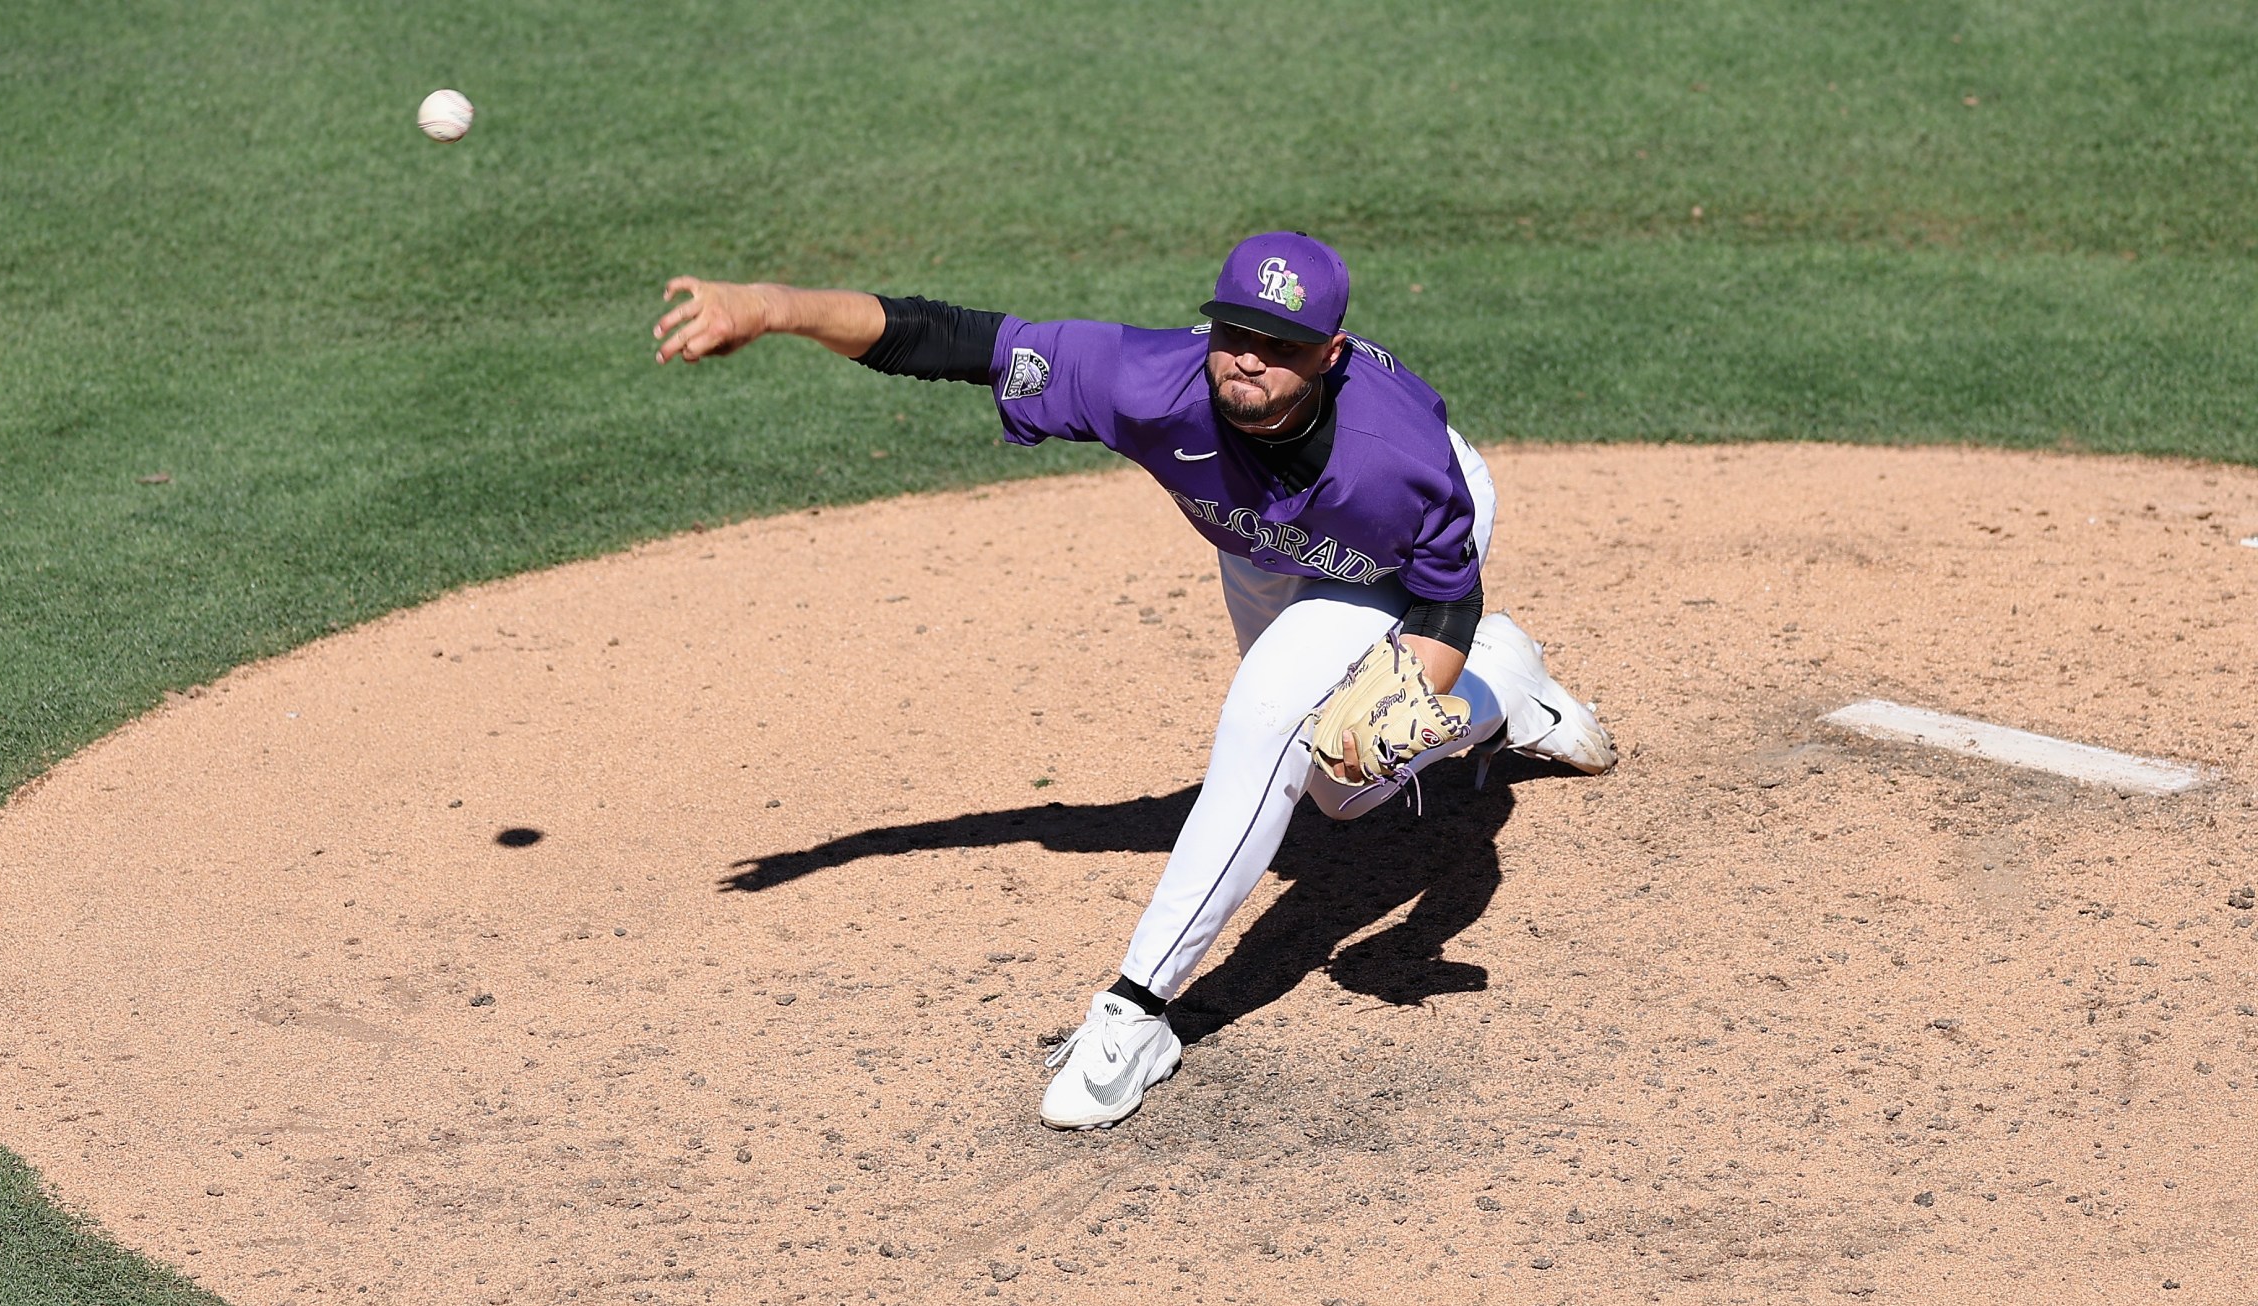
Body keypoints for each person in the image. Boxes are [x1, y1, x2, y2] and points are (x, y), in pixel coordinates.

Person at [653, 232, 1615, 1130]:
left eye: (1280, 346)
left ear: (1330, 352)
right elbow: (952, 338)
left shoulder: (1397, 461)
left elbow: (1451, 596)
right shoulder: (1152, 381)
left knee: (1273, 713)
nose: (1248, 358)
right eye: (1236, 332)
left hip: (1395, 556)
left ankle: (1137, 1010)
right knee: (1341, 791)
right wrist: (774, 305)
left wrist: (1422, 686)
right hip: (1268, 548)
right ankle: (1503, 692)